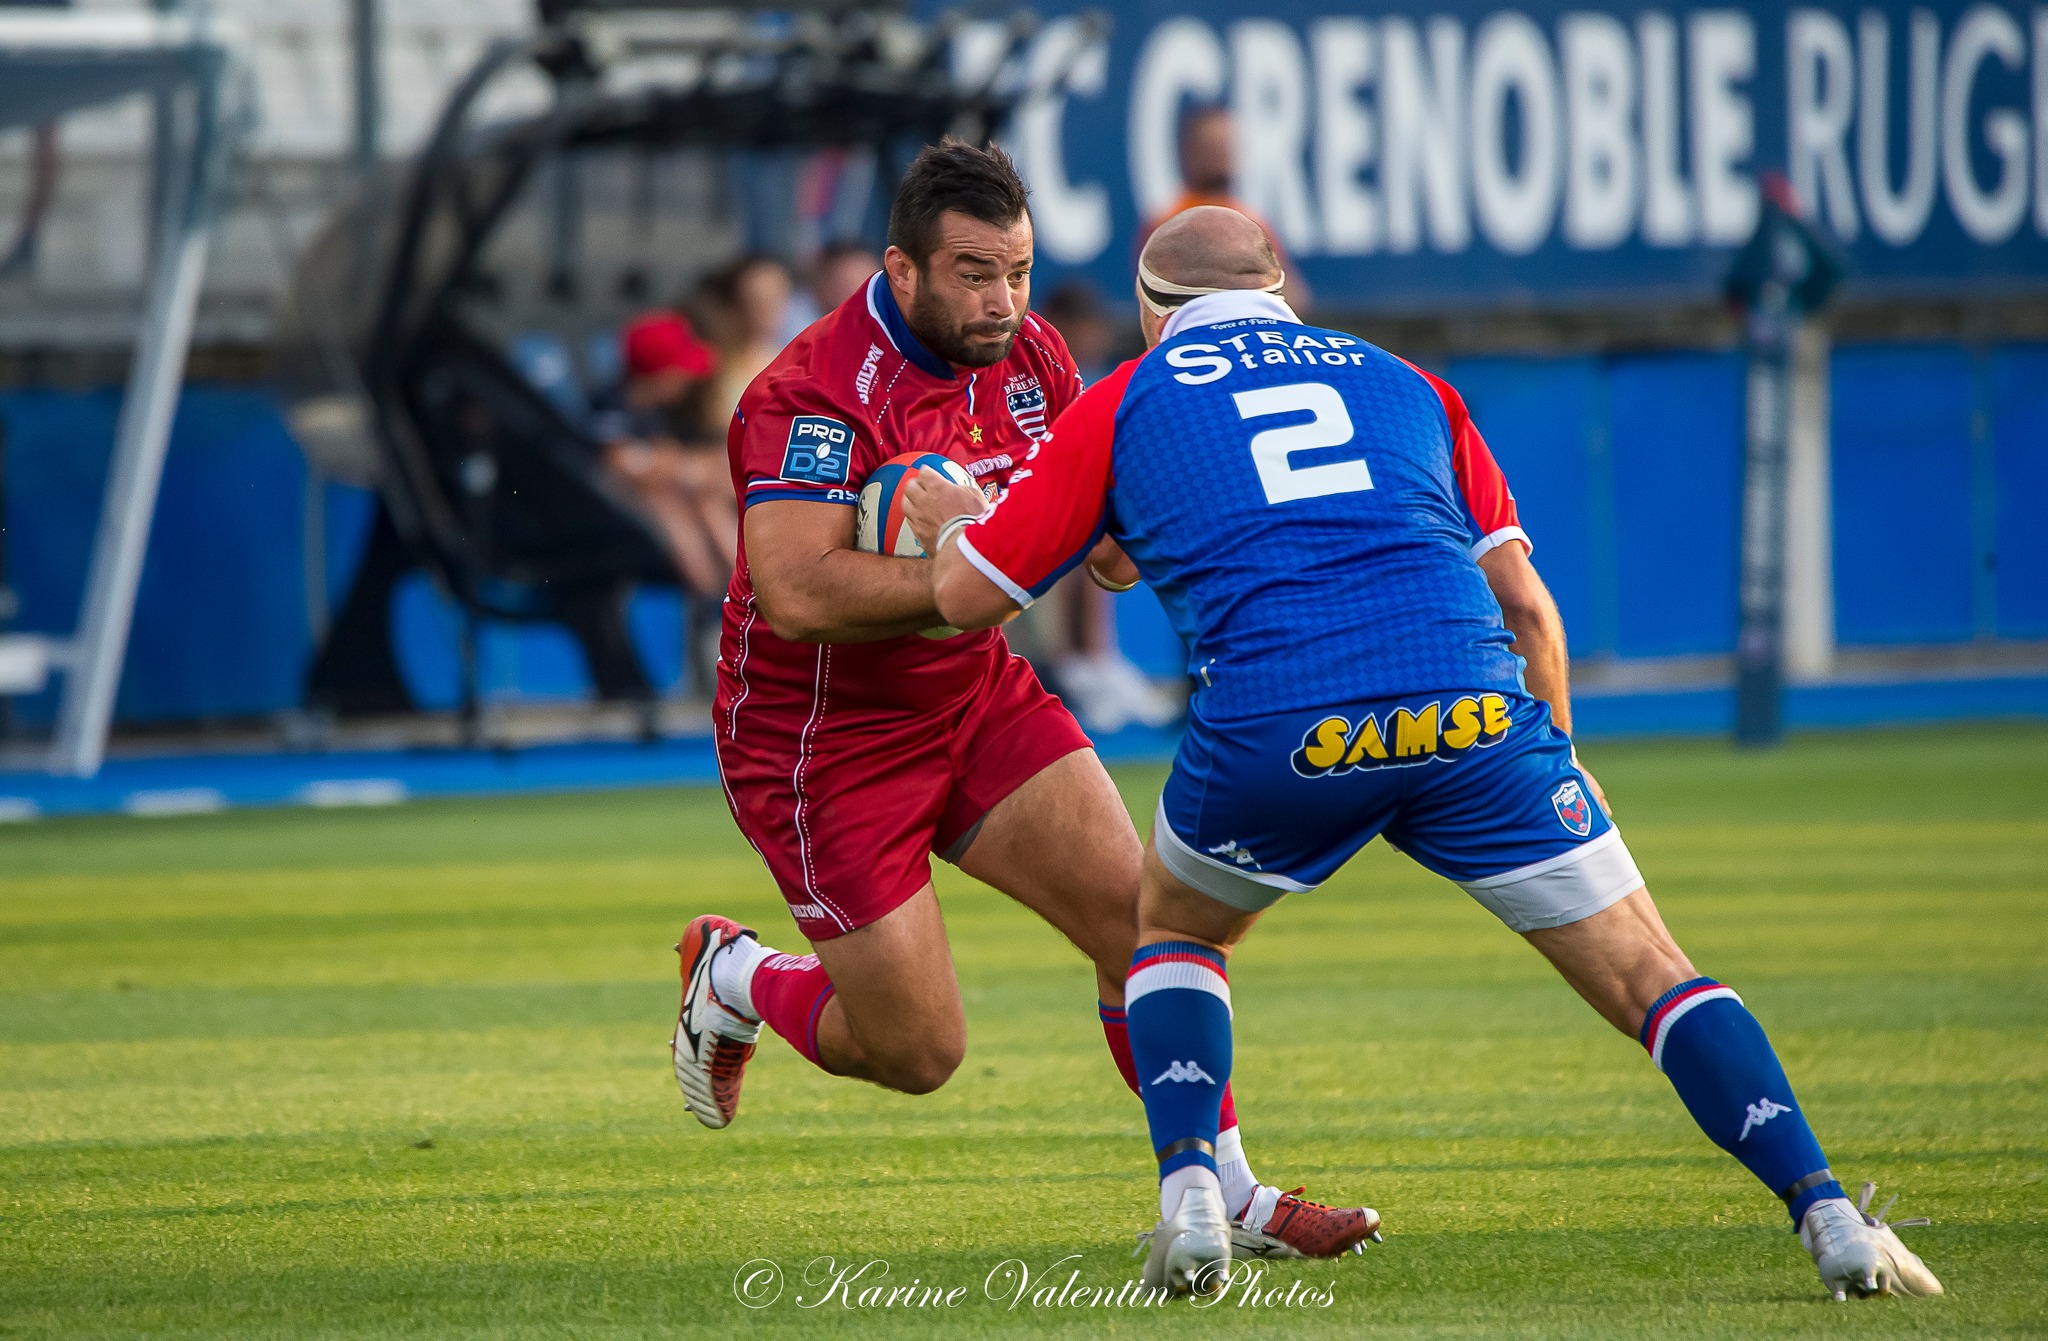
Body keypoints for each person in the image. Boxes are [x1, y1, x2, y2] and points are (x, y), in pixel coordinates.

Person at [904, 206, 1944, 1302]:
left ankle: (1191, 1200)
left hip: (1282, 728)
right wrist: (1558, 762)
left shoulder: (1126, 396)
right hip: (1473, 717)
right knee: (1652, 972)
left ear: (1155, 315)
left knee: (1167, 930)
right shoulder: (1408, 383)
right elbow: (1529, 609)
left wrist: (955, 518)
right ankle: (1825, 1210)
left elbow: (973, 598)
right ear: (1282, 288)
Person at [668, 144, 1377, 1262]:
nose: (1002, 302)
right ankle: (737, 975)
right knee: (917, 1052)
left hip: (974, 696)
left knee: (1145, 924)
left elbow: (1100, 538)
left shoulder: (1034, 354)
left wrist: (1124, 534)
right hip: (823, 745)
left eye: (1017, 271)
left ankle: (1224, 1196)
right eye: (971, 275)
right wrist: (966, 569)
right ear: (901, 272)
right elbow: (798, 594)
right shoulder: (808, 394)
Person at [1030, 281, 1178, 734]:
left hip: (1070, 526)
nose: (1098, 339)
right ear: (1066, 328)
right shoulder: (1033, 383)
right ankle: (1078, 664)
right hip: (1020, 524)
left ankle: (1098, 661)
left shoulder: (1092, 384)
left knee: (1098, 528)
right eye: (1088, 328)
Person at [589, 312, 736, 601]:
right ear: (662, 376)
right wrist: (681, 467)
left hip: (668, 495)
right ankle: (714, 603)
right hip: (622, 511)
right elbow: (618, 462)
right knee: (670, 506)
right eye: (681, 372)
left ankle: (748, 598)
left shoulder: (656, 412)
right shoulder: (611, 403)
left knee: (709, 500)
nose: (689, 381)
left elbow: (667, 456)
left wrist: (681, 467)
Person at [1137, 105, 1311, 314]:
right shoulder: (1167, 225)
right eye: (1213, 147)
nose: (1222, 157)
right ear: (1189, 151)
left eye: (1227, 146)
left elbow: (1292, 293)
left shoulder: (1250, 221)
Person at [698, 253, 797, 432]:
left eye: (775, 300)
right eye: (754, 302)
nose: (766, 312)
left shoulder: (796, 367)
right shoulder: (712, 366)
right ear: (734, 305)